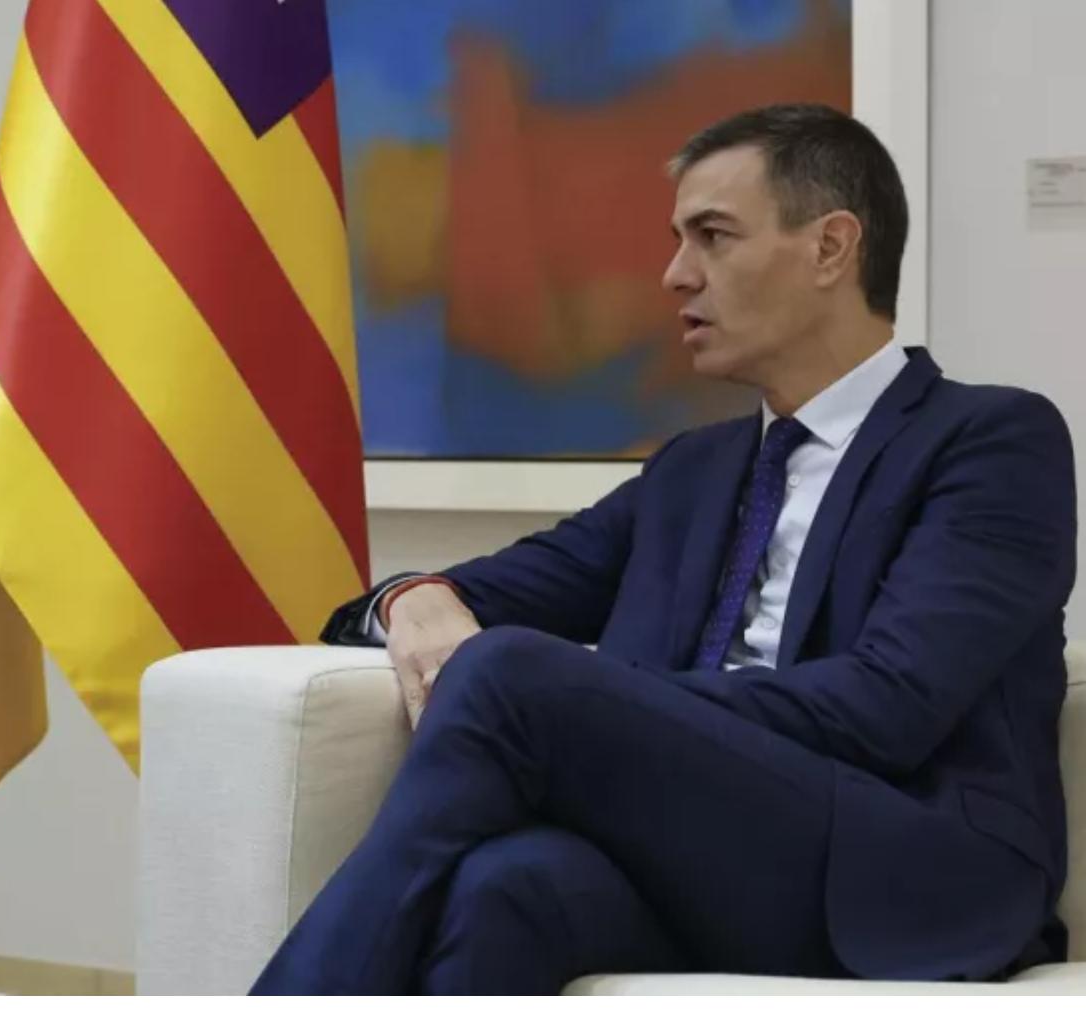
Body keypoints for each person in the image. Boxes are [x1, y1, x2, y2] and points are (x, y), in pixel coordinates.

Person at [253, 104, 1076, 994]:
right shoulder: (692, 471)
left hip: (908, 865)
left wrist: (620, 714)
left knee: (508, 675)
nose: (675, 275)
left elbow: (888, 706)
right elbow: (488, 592)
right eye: (679, 241)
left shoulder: (991, 439)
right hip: (710, 860)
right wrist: (411, 595)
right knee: (506, 889)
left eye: (712, 237)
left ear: (832, 248)